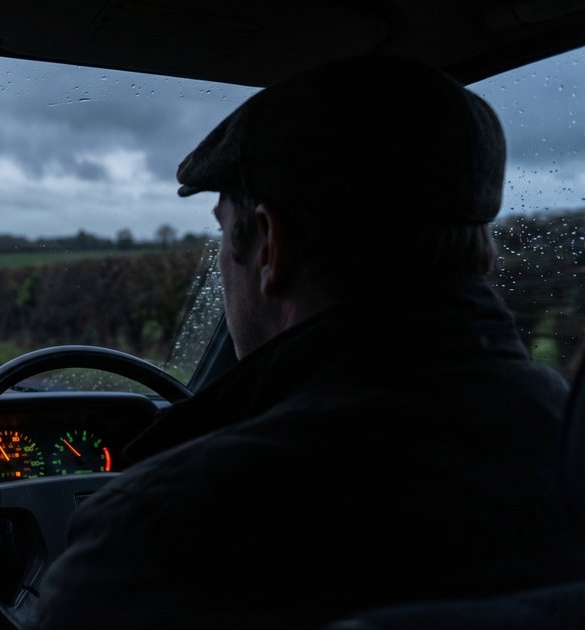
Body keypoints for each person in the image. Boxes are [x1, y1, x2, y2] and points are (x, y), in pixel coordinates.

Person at [32, 56, 585, 628]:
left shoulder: (160, 531)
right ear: (479, 247)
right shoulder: (564, 437)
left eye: (224, 232)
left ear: (270, 247)